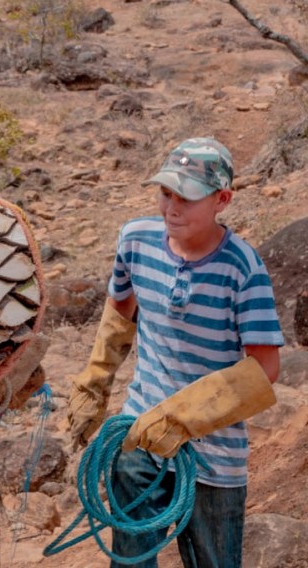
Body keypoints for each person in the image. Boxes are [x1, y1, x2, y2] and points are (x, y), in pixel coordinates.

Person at [66, 137, 284, 568]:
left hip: (214, 457)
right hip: (140, 433)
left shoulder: (244, 269)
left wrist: (181, 417)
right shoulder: (136, 240)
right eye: (166, 193)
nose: (172, 208)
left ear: (222, 199)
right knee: (130, 559)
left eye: (186, 197)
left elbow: (266, 368)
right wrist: (94, 383)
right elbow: (119, 314)